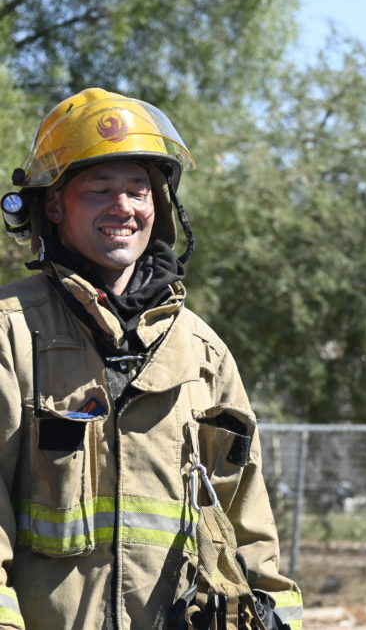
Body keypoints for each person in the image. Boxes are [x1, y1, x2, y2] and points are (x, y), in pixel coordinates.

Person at [0, 88, 302, 628]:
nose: (123, 206)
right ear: (54, 206)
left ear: (157, 206)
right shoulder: (11, 331)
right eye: (100, 189)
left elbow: (245, 519)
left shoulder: (203, 353)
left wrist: (272, 612)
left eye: (137, 190)